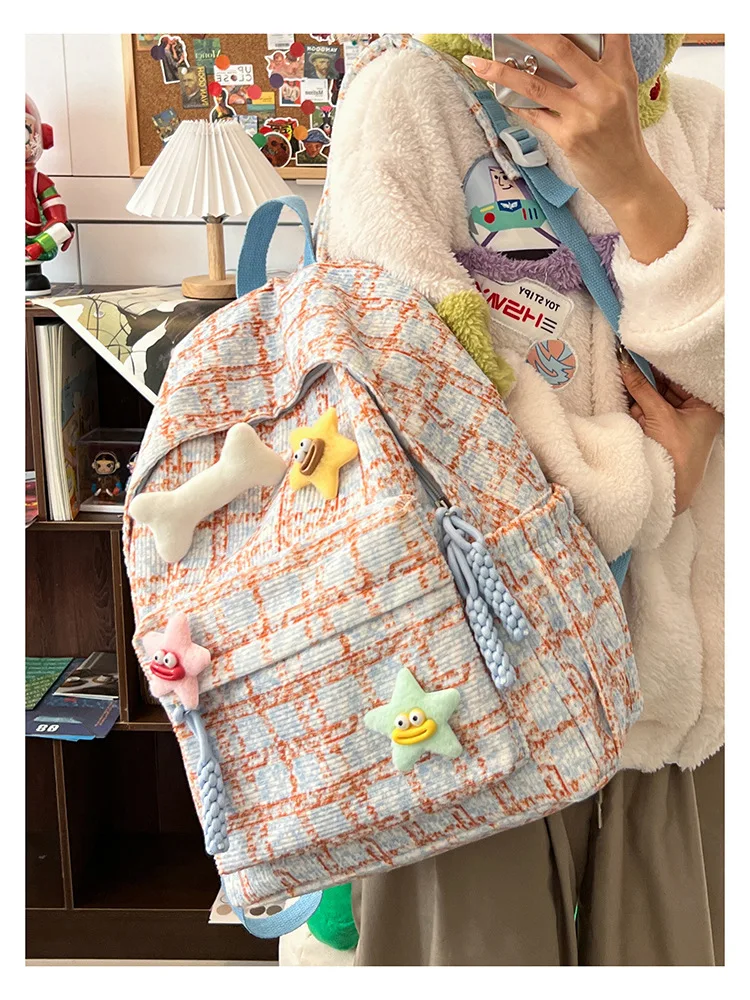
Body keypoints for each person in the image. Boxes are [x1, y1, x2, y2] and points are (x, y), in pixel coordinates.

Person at [316, 32, 724, 966]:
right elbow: (416, 408)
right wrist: (660, 474)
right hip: (474, 696)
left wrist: (634, 186)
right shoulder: (407, 97)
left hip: (670, 697)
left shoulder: (704, 121)